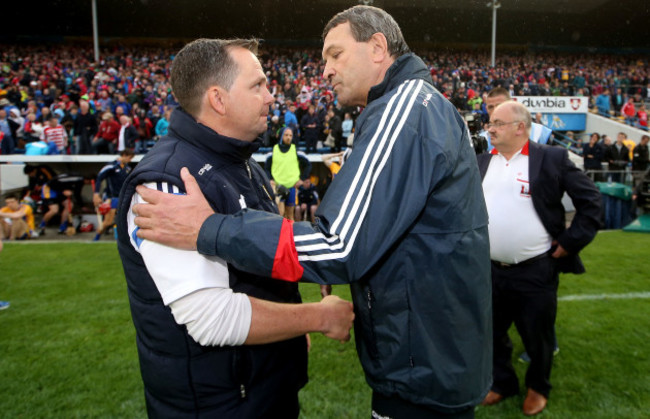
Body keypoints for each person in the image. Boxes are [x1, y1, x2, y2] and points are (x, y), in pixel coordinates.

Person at [133, 6, 492, 418]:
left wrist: (210, 229)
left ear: (378, 47)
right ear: (217, 98)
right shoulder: (172, 176)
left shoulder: (404, 109)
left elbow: (337, 245)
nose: (324, 71)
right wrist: (304, 316)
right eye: (259, 85)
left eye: (335, 54)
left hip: (424, 360)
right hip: (431, 352)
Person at [115, 38, 354, 418]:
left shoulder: (241, 162)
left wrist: (287, 324)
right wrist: (318, 316)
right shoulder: (165, 183)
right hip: (220, 403)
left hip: (261, 389)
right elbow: (211, 319)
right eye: (257, 85)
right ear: (218, 99)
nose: (271, 97)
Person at [477, 101, 601, 416]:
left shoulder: (551, 158)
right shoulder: (481, 162)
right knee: (491, 333)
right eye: (490, 123)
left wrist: (569, 243)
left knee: (538, 335)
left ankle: (538, 387)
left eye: (498, 123)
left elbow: (591, 203)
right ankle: (502, 383)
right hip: (490, 270)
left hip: (536, 269)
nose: (490, 128)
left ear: (520, 126)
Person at [483, 87, 552, 152]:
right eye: (491, 107)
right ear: (486, 109)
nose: (495, 110)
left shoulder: (539, 133)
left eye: (500, 105)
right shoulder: (483, 139)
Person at [265, 127, 311, 220]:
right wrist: (270, 179)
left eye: (290, 135)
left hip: (291, 186)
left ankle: (291, 234)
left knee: (290, 215)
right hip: (278, 187)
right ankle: (279, 234)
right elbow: (266, 168)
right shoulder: (273, 151)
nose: (289, 137)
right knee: (280, 214)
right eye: (286, 135)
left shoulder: (296, 150)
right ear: (281, 136)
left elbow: (308, 165)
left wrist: (302, 179)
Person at [93, 149, 135, 241]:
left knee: (126, 219)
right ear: (124, 155)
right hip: (112, 198)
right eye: (129, 157)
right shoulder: (111, 166)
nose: (130, 160)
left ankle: (126, 239)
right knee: (108, 221)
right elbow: (99, 178)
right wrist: (96, 194)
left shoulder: (127, 168)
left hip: (123, 197)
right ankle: (96, 238)